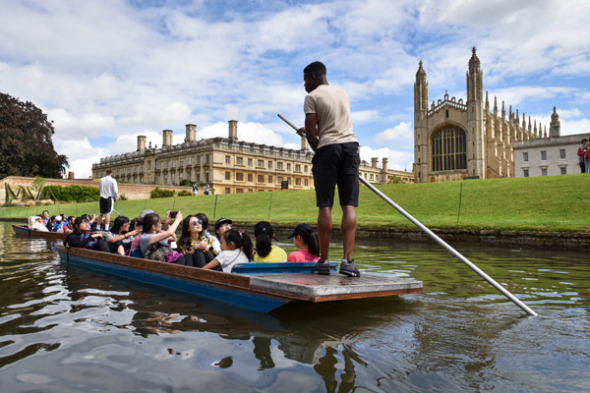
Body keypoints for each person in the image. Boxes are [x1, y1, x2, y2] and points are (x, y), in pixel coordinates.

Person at [297, 61, 360, 277]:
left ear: (314, 76)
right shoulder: (343, 93)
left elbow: (314, 135)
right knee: (348, 206)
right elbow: (332, 123)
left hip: (328, 150)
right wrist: (312, 132)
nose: (305, 85)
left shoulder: (311, 97)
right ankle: (348, 261)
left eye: (306, 80)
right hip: (350, 147)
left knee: (325, 206)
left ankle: (323, 261)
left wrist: (318, 149)